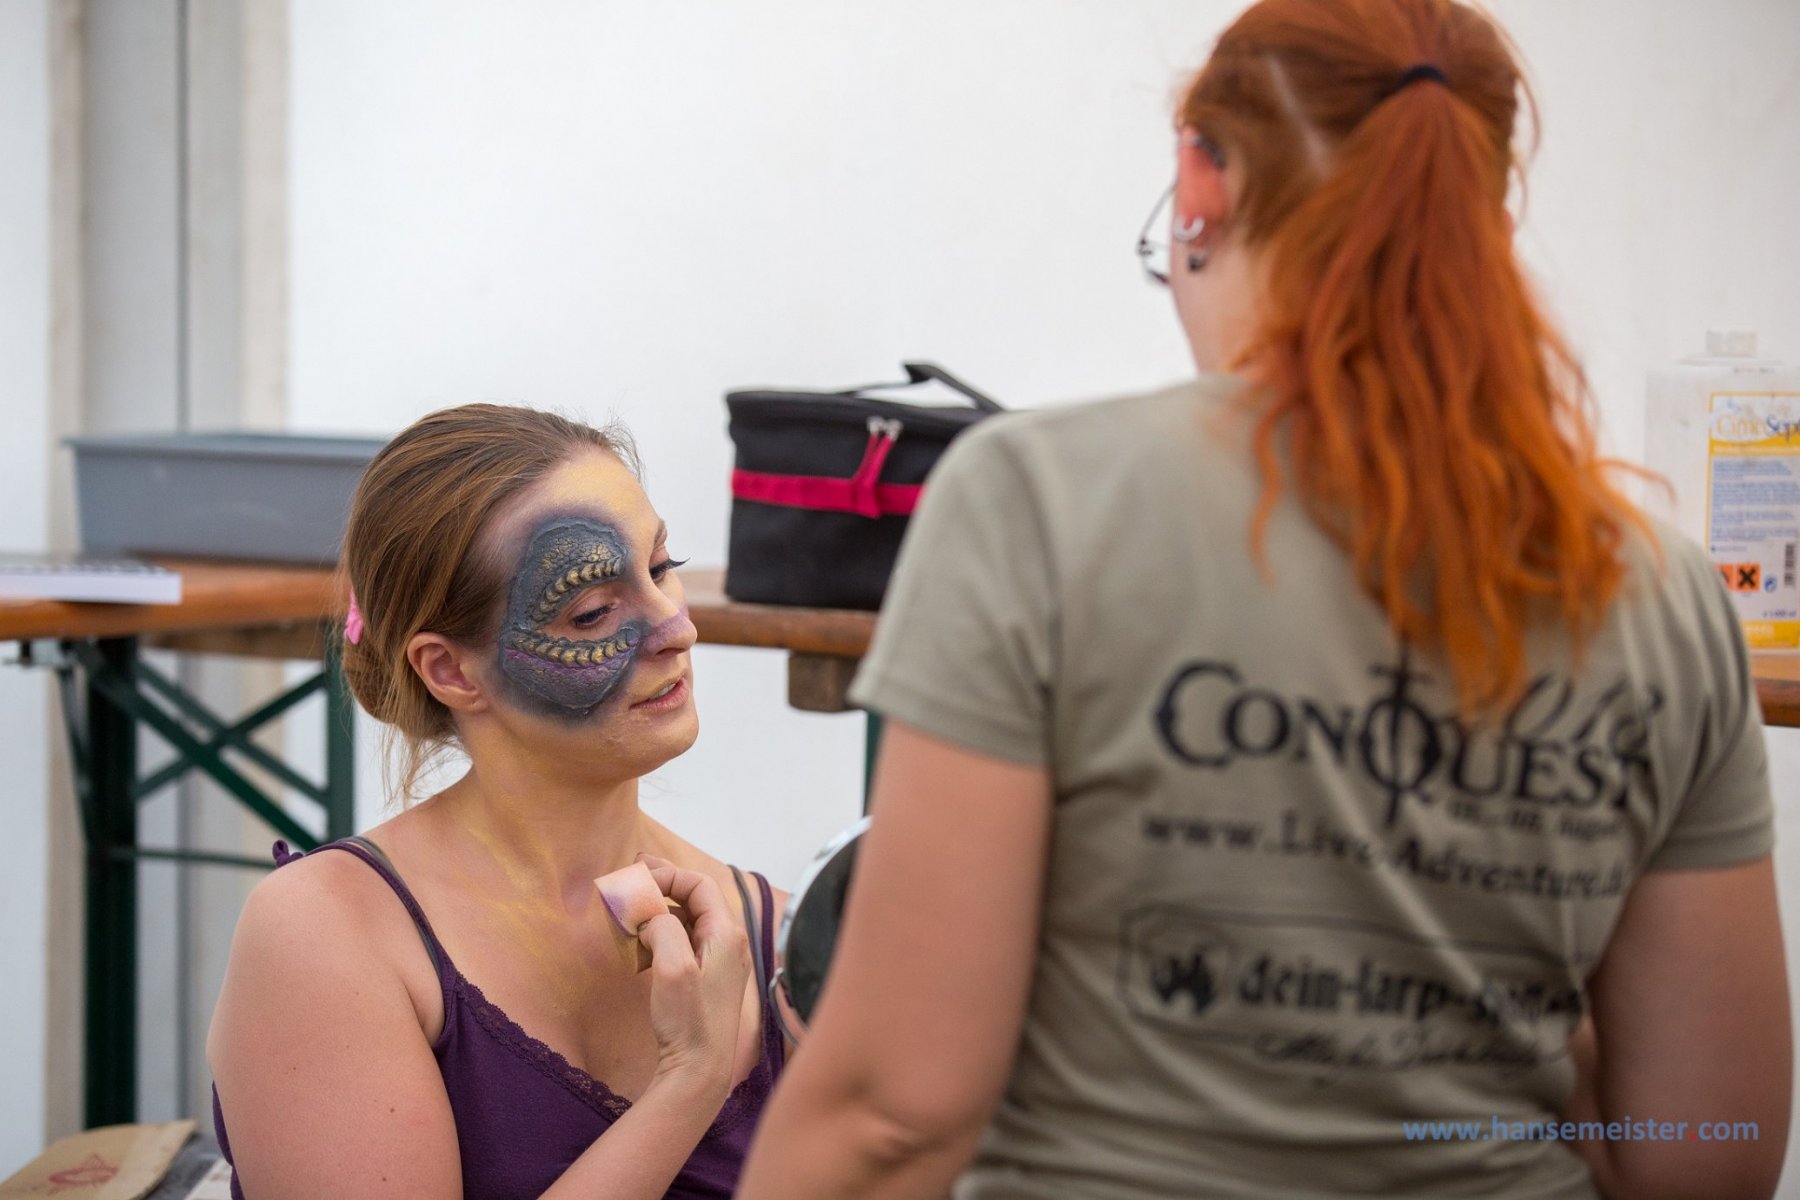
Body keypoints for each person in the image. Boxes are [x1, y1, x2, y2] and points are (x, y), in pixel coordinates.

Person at [737, 0, 1790, 1196]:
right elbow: (1704, 1156)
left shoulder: (1037, 503)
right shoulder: (1659, 593)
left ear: (1200, 185)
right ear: (1485, 228)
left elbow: (892, 1112)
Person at [208, 404, 785, 1199]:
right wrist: (692, 1078)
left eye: (661, 567)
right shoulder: (330, 936)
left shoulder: (771, 936)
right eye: (592, 611)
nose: (675, 628)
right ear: (450, 671)